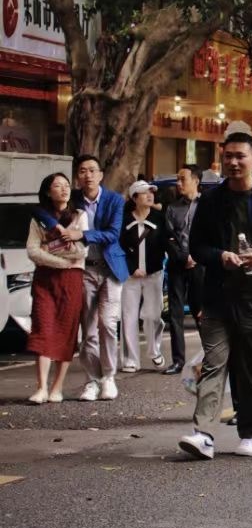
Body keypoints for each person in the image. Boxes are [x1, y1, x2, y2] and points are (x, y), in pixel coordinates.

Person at [177, 123, 252, 460]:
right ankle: (204, 434)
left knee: (250, 366)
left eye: (240, 156)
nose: (233, 162)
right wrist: (220, 257)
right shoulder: (211, 200)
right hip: (217, 296)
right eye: (228, 157)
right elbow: (197, 246)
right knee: (214, 363)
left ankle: (250, 430)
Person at [59, 154, 129, 402]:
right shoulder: (72, 201)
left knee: (108, 325)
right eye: (82, 171)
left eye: (92, 170)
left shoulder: (114, 200)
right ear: (77, 177)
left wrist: (83, 234)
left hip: (110, 269)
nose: (87, 175)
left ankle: (109, 376)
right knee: (87, 330)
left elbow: (112, 234)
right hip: (82, 269)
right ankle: (92, 380)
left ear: (100, 175)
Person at [25, 173, 87, 403]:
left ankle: (57, 388)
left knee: (66, 330)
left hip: (72, 280)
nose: (63, 189)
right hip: (45, 279)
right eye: (57, 186)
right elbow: (32, 250)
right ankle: (41, 387)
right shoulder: (38, 219)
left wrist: (48, 248)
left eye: (66, 185)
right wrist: (61, 260)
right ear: (48, 192)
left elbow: (81, 251)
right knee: (43, 327)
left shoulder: (80, 216)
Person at [119, 180, 167, 372]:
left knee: (153, 315)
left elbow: (165, 243)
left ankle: (154, 351)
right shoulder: (124, 220)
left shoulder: (159, 218)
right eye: (144, 193)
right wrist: (131, 268)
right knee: (128, 316)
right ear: (134, 198)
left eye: (151, 192)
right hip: (130, 277)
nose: (149, 195)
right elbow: (119, 247)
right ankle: (130, 359)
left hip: (154, 274)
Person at [164, 164, 203, 374]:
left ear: (196, 181)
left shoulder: (207, 206)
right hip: (178, 266)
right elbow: (169, 237)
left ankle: (210, 357)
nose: (178, 183)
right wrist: (183, 257)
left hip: (200, 266)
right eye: (177, 180)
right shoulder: (172, 208)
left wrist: (196, 257)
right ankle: (178, 360)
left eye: (182, 179)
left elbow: (212, 235)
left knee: (201, 311)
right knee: (175, 314)